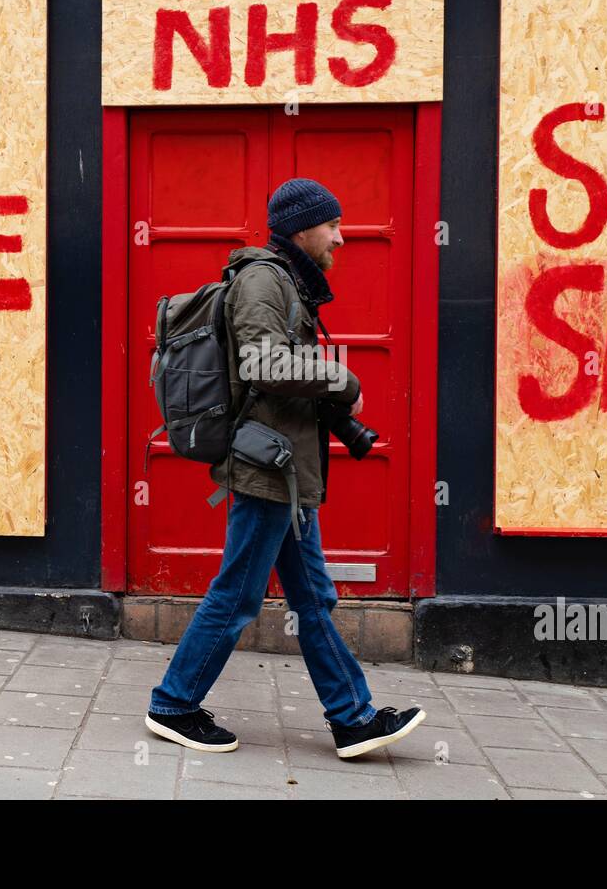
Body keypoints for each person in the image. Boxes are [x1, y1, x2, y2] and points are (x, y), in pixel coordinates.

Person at [145, 177, 426, 759]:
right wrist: (342, 379)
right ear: (304, 228)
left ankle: (353, 718)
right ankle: (173, 704)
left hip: (287, 470)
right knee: (238, 595)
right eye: (334, 226)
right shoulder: (261, 279)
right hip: (265, 469)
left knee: (313, 598)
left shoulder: (286, 280)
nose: (342, 239)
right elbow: (262, 362)